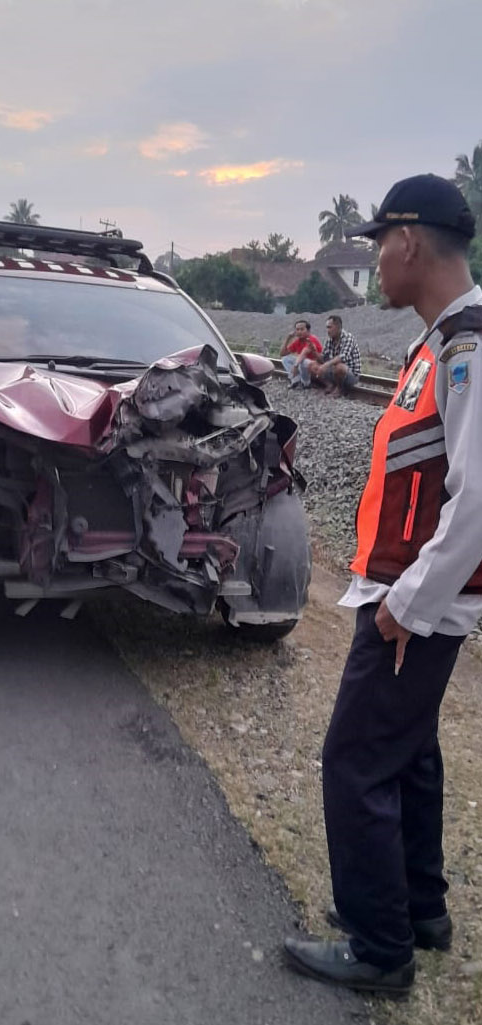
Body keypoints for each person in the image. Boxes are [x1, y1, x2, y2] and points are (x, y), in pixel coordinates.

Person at [281, 173, 482, 995]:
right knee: (408, 754)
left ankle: (379, 947)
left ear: (407, 241)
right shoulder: (438, 343)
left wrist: (407, 605)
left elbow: (478, 497)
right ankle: (417, 909)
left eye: (376, 245)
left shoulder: (469, 347)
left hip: (414, 604)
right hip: (406, 594)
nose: (373, 260)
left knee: (355, 760)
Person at [304, 314, 363, 395]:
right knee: (312, 365)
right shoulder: (329, 340)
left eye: (330, 327)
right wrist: (314, 351)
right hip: (334, 371)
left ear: (338, 327)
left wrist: (326, 365)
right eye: (327, 327)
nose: (328, 330)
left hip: (350, 374)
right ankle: (330, 385)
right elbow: (323, 359)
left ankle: (340, 388)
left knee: (339, 367)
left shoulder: (348, 338)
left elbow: (342, 357)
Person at [279, 320, 322, 388]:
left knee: (303, 361)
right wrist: (288, 338)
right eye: (297, 329)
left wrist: (295, 366)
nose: (299, 332)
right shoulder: (298, 341)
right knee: (285, 359)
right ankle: (296, 380)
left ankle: (306, 383)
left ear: (308, 330)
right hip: (305, 368)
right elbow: (282, 353)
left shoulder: (311, 339)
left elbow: (304, 353)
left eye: (302, 329)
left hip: (316, 369)